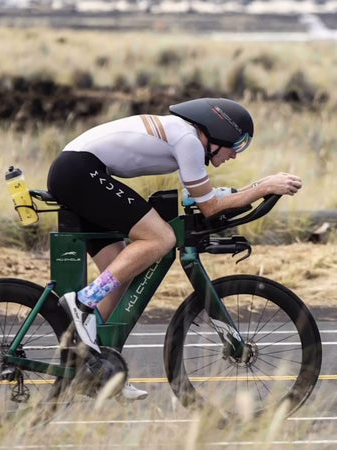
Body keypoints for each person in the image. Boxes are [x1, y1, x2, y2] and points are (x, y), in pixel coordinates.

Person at [47, 97, 302, 400]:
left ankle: (91, 363)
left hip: (78, 170)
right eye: (237, 144)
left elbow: (198, 196)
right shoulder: (189, 141)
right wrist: (261, 187)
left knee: (121, 267)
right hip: (80, 170)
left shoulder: (184, 138)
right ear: (218, 132)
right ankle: (83, 302)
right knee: (161, 239)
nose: (235, 154)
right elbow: (209, 207)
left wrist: (246, 193)